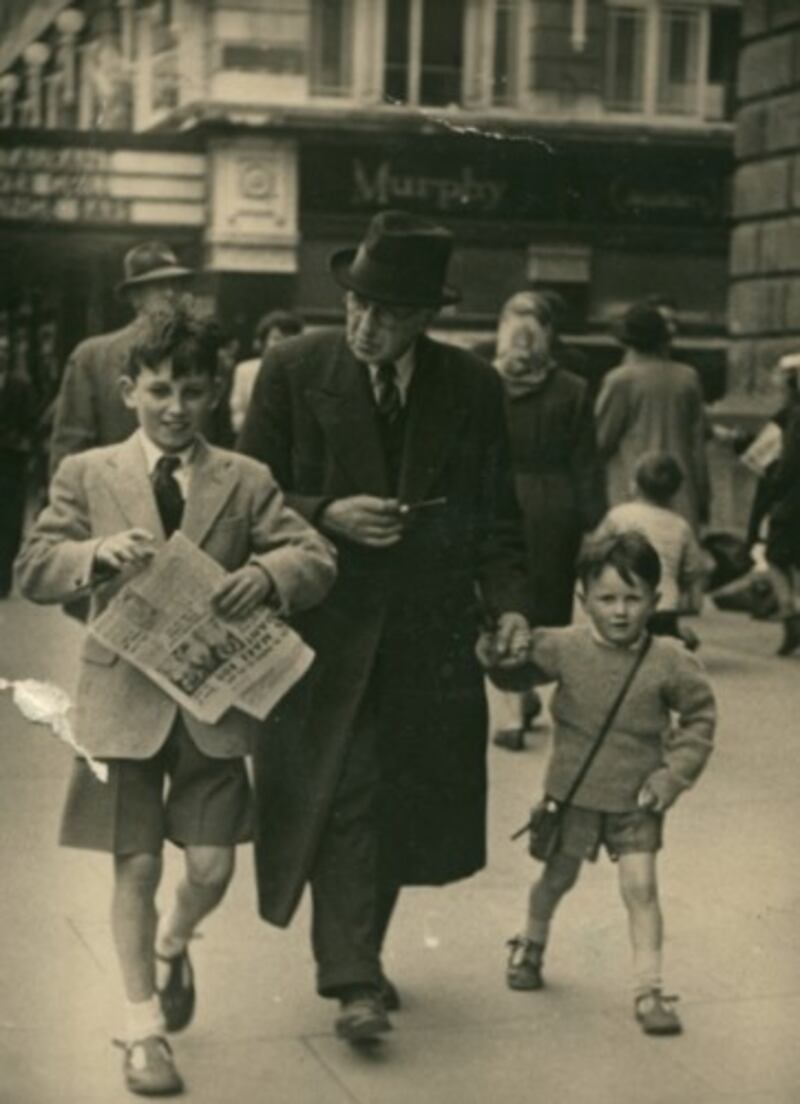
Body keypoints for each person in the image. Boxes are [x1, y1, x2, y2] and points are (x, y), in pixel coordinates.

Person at [15, 314, 336, 1096]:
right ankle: (142, 1031)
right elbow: (33, 566)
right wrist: (95, 555)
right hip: (120, 702)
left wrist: (267, 576)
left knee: (211, 865)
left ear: (215, 391)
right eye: (159, 390)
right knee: (135, 865)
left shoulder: (245, 478)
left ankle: (173, 941)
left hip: (211, 704)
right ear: (129, 391)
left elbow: (315, 555)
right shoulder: (87, 473)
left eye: (192, 391)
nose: (175, 408)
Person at [237, 209, 529, 1043]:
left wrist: (511, 605)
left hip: (425, 637)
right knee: (348, 792)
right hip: (320, 629)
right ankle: (354, 980)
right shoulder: (293, 369)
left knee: (398, 800)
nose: (366, 324)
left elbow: (498, 518)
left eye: (390, 313)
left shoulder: (471, 387)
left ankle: (359, 953)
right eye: (357, 304)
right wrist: (325, 511)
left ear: (427, 316)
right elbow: (243, 498)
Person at [477, 531, 716, 1036]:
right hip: (573, 796)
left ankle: (649, 989)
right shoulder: (562, 646)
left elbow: (699, 718)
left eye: (634, 598)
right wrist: (495, 655)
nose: (621, 611)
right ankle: (530, 942)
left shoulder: (671, 660)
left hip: (638, 800)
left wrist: (672, 776)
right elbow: (514, 676)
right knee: (556, 880)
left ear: (656, 599)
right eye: (607, 599)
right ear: (583, 599)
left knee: (641, 889)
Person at [491, 290, 606, 750]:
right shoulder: (573, 388)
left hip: (496, 501)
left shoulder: (485, 383)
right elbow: (586, 464)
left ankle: (511, 708)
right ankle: (526, 687)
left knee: (498, 599)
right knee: (546, 606)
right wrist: (594, 524)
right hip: (556, 509)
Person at [49, 240, 232, 476]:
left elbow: (222, 444)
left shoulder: (208, 356)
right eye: (158, 286)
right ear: (134, 297)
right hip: (112, 488)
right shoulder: (92, 357)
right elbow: (70, 449)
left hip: (193, 487)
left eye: (176, 284)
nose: (170, 293)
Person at [595, 303, 710, 532]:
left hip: (633, 490)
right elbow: (698, 442)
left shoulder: (620, 380)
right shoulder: (688, 377)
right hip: (681, 490)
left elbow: (600, 441)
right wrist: (703, 495)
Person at [594, 452, 707, 650]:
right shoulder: (680, 525)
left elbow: (595, 550)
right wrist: (691, 595)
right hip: (664, 606)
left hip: (624, 603)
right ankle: (676, 639)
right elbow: (695, 568)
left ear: (634, 485)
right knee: (659, 646)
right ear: (674, 492)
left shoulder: (619, 516)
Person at [762, 356, 800, 655]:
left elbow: (785, 464)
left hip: (791, 500)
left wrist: (774, 489)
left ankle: (790, 616)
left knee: (776, 557)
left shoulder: (792, 416)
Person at [0, 333, 37, 596]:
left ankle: (2, 580)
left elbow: (31, 418)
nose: (0, 355)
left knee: (10, 520)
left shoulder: (20, 385)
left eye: (4, 351)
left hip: (11, 461)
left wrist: (21, 439)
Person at [229, 310, 304, 434]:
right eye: (277, 338)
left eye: (290, 338)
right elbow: (238, 412)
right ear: (263, 341)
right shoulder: (245, 370)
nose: (284, 344)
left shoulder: (301, 372)